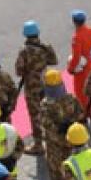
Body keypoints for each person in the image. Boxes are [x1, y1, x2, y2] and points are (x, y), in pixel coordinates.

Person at [14, 20, 58, 156]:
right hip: (45, 83)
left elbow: (19, 71)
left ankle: (38, 144)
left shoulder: (24, 51)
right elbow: (54, 61)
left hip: (32, 87)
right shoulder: (45, 47)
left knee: (35, 115)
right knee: (49, 111)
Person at [67, 10, 91, 111]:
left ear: (74, 22)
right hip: (90, 63)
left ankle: (86, 113)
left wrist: (71, 69)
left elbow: (76, 57)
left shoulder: (76, 37)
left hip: (82, 70)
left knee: (81, 93)